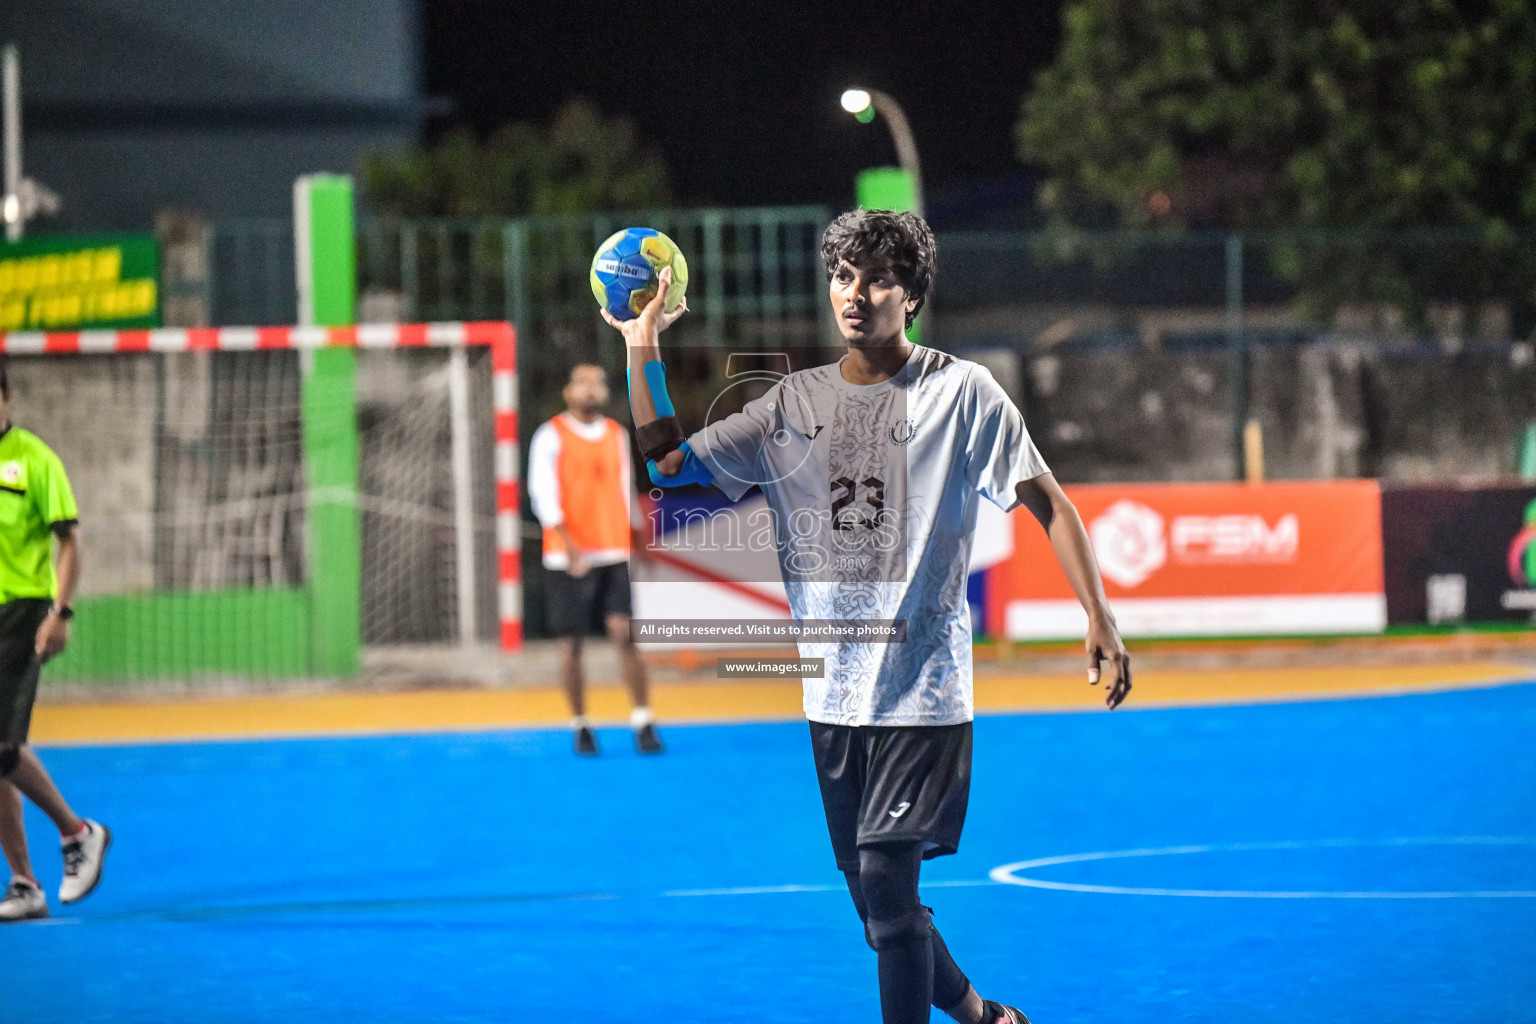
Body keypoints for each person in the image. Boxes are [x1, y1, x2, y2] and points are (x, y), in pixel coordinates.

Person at [605, 210, 1131, 1024]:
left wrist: (1098, 613)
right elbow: (668, 470)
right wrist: (642, 347)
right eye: (844, 276)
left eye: (879, 278)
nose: (857, 294)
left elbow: (1048, 501)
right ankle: (984, 1017)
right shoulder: (789, 404)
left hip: (922, 692)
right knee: (876, 906)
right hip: (832, 699)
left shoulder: (963, 393)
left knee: (887, 881)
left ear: (911, 295)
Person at [0, 367, 110, 923]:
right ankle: (25, 884)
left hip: (19, 610)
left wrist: (60, 613)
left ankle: (79, 833)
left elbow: (71, 541)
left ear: (6, 397)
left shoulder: (34, 460)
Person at [528, 363, 663, 756]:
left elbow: (626, 488)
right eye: (582, 382)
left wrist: (637, 536)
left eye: (598, 383)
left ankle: (642, 719)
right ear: (568, 392)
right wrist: (567, 542)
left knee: (625, 633)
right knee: (571, 642)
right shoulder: (550, 435)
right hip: (568, 556)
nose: (591, 389)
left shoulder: (617, 434)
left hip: (612, 550)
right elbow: (543, 492)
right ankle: (581, 724)